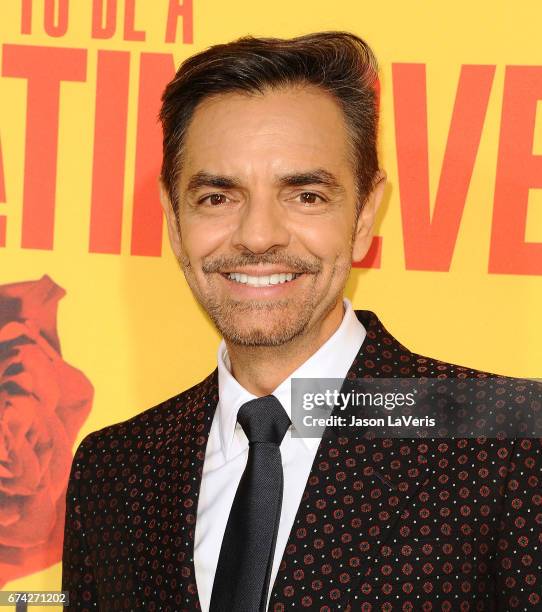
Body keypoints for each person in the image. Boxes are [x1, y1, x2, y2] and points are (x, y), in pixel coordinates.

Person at [62, 32, 542, 611]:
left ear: (365, 214)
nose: (259, 234)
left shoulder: (508, 441)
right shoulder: (115, 468)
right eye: (218, 197)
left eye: (306, 195)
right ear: (173, 219)